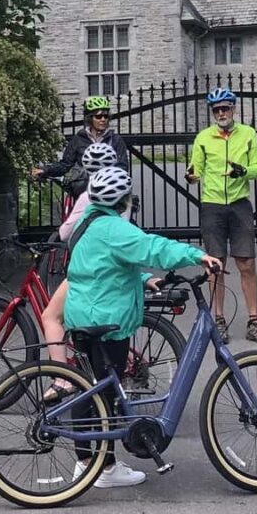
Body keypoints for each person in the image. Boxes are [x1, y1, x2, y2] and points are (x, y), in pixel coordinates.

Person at [65, 166, 222, 488]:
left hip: (83, 314)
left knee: (90, 388)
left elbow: (99, 266)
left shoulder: (87, 222)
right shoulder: (114, 228)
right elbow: (153, 247)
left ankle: (84, 462)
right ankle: (105, 469)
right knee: (107, 392)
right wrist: (198, 255)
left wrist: (140, 278)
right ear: (123, 199)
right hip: (107, 320)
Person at [39, 142, 128, 401]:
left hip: (89, 268)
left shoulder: (90, 195)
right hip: (117, 268)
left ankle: (62, 379)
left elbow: (66, 232)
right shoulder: (121, 191)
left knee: (51, 317)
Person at [185, 87, 257, 345]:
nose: (221, 113)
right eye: (216, 110)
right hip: (212, 204)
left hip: (239, 204)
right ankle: (218, 320)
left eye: (225, 108)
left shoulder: (248, 134)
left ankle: (254, 321)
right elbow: (195, 169)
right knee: (215, 265)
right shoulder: (203, 137)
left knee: (247, 264)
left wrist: (241, 172)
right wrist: (191, 176)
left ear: (233, 108)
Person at [32, 96, 129, 186]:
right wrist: (45, 170)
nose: (103, 119)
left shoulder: (116, 140)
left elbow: (122, 167)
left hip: (107, 189)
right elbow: (65, 164)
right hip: (83, 188)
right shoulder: (79, 139)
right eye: (98, 117)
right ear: (90, 118)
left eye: (106, 116)